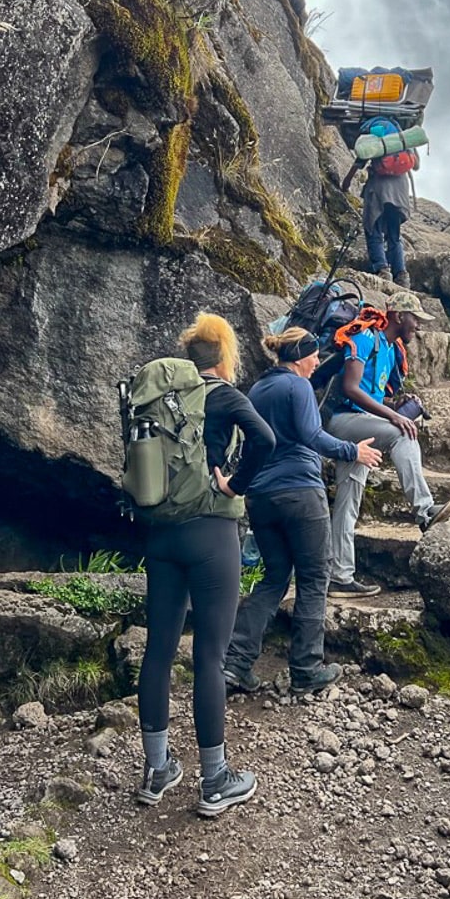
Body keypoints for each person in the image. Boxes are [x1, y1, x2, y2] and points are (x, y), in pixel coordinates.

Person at [137, 312, 276, 817]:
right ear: (224, 356)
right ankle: (215, 780)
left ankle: (157, 770)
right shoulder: (223, 396)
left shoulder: (163, 399)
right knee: (210, 656)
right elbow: (266, 441)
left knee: (158, 649)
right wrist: (235, 485)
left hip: (161, 533)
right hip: (213, 532)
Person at [222, 327, 382, 695]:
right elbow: (312, 435)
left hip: (261, 497)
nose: (316, 364)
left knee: (275, 577)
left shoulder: (259, 389)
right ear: (301, 356)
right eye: (314, 356)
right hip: (299, 492)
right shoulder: (298, 387)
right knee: (313, 576)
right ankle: (306, 669)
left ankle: (236, 664)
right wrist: (352, 451)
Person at [325, 290, 450, 596]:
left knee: (349, 500)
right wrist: (394, 416)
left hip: (361, 429)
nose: (418, 326)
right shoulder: (364, 338)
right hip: (342, 421)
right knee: (404, 432)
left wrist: (396, 401)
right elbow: (349, 388)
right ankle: (426, 511)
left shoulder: (388, 348)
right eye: (415, 318)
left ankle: (339, 575)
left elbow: (371, 394)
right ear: (399, 316)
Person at [341, 152, 417, 286]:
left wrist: (346, 182)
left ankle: (382, 270)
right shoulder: (403, 139)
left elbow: (360, 161)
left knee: (373, 227)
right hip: (400, 189)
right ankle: (401, 275)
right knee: (394, 234)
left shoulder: (376, 135)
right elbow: (416, 165)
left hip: (378, 187)